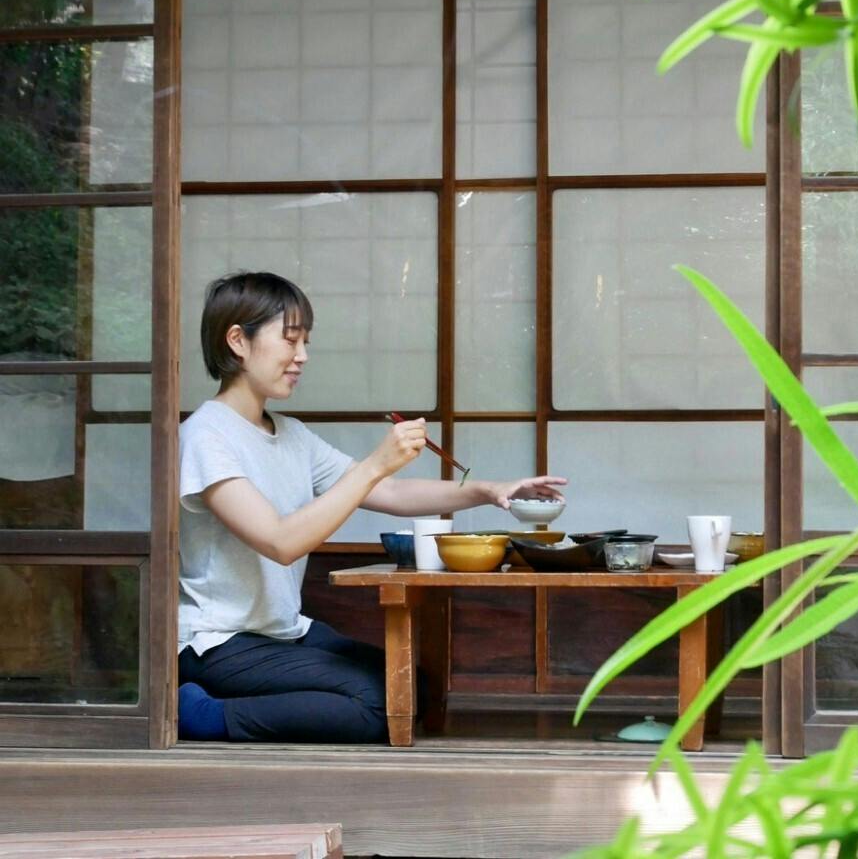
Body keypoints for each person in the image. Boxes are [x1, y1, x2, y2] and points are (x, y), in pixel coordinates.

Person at [177, 271, 567, 743]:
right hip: (217, 642)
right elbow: (280, 542)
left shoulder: (290, 434)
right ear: (238, 340)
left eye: (305, 342)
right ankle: (203, 715)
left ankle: (233, 705)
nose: (302, 356)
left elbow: (392, 493)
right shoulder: (206, 437)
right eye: (290, 340)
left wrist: (490, 490)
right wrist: (374, 465)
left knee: (414, 686)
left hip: (283, 631)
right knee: (379, 705)